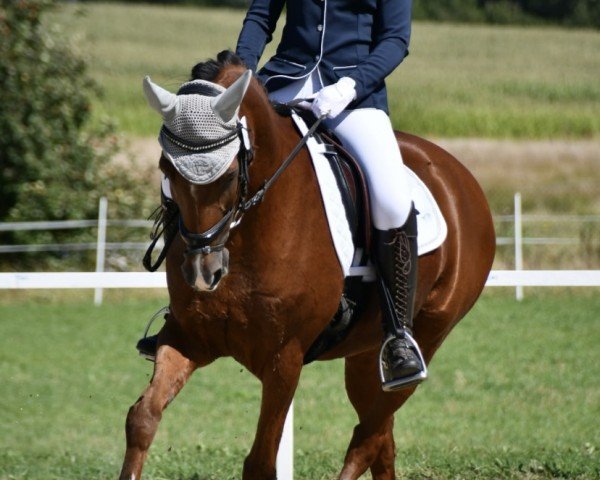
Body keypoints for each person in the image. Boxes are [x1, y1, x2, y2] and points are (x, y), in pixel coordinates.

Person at [236, 0, 426, 390]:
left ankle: (398, 335)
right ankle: (185, 306)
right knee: (214, 153)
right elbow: (261, 17)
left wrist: (352, 85)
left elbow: (395, 39)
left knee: (391, 199)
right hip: (282, 83)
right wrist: (241, 74)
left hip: (353, 93)